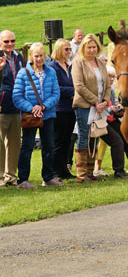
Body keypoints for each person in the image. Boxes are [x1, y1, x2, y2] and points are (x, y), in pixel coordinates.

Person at [13, 43, 62, 188]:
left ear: (45, 56)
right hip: (30, 116)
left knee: (49, 146)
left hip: (47, 114)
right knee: (27, 146)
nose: (39, 59)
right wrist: (32, 108)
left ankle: (48, 176)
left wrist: (44, 106)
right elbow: (17, 96)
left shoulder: (51, 72)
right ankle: (23, 179)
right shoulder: (23, 73)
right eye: (36, 56)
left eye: (41, 56)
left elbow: (56, 93)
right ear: (31, 57)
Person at [71, 34, 112, 183]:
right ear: (83, 48)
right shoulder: (78, 63)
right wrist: (95, 101)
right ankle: (81, 175)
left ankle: (90, 172)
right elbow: (79, 86)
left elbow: (107, 85)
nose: (92, 50)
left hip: (100, 106)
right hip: (84, 105)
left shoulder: (100, 63)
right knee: (84, 136)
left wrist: (105, 101)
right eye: (89, 47)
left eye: (94, 47)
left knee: (95, 136)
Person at [93, 66, 128, 180]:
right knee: (117, 142)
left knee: (126, 139)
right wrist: (111, 110)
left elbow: (113, 107)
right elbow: (97, 110)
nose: (111, 79)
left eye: (113, 76)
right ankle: (118, 171)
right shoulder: (97, 90)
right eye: (109, 76)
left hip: (111, 119)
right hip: (99, 121)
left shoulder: (112, 90)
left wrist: (119, 111)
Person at [49, 39, 76, 180]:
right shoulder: (53, 67)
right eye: (66, 49)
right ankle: (54, 171)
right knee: (58, 141)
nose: (68, 52)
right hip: (59, 108)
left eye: (70, 49)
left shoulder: (68, 66)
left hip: (71, 108)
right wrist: (72, 91)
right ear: (59, 50)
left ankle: (63, 170)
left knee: (67, 141)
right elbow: (55, 87)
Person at [0, 30, 24, 187]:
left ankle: (11, 176)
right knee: (0, 143)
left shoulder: (19, 57)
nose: (10, 44)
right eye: (6, 41)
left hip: (16, 106)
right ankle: (1, 177)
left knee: (15, 143)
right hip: (1, 106)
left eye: (12, 41)